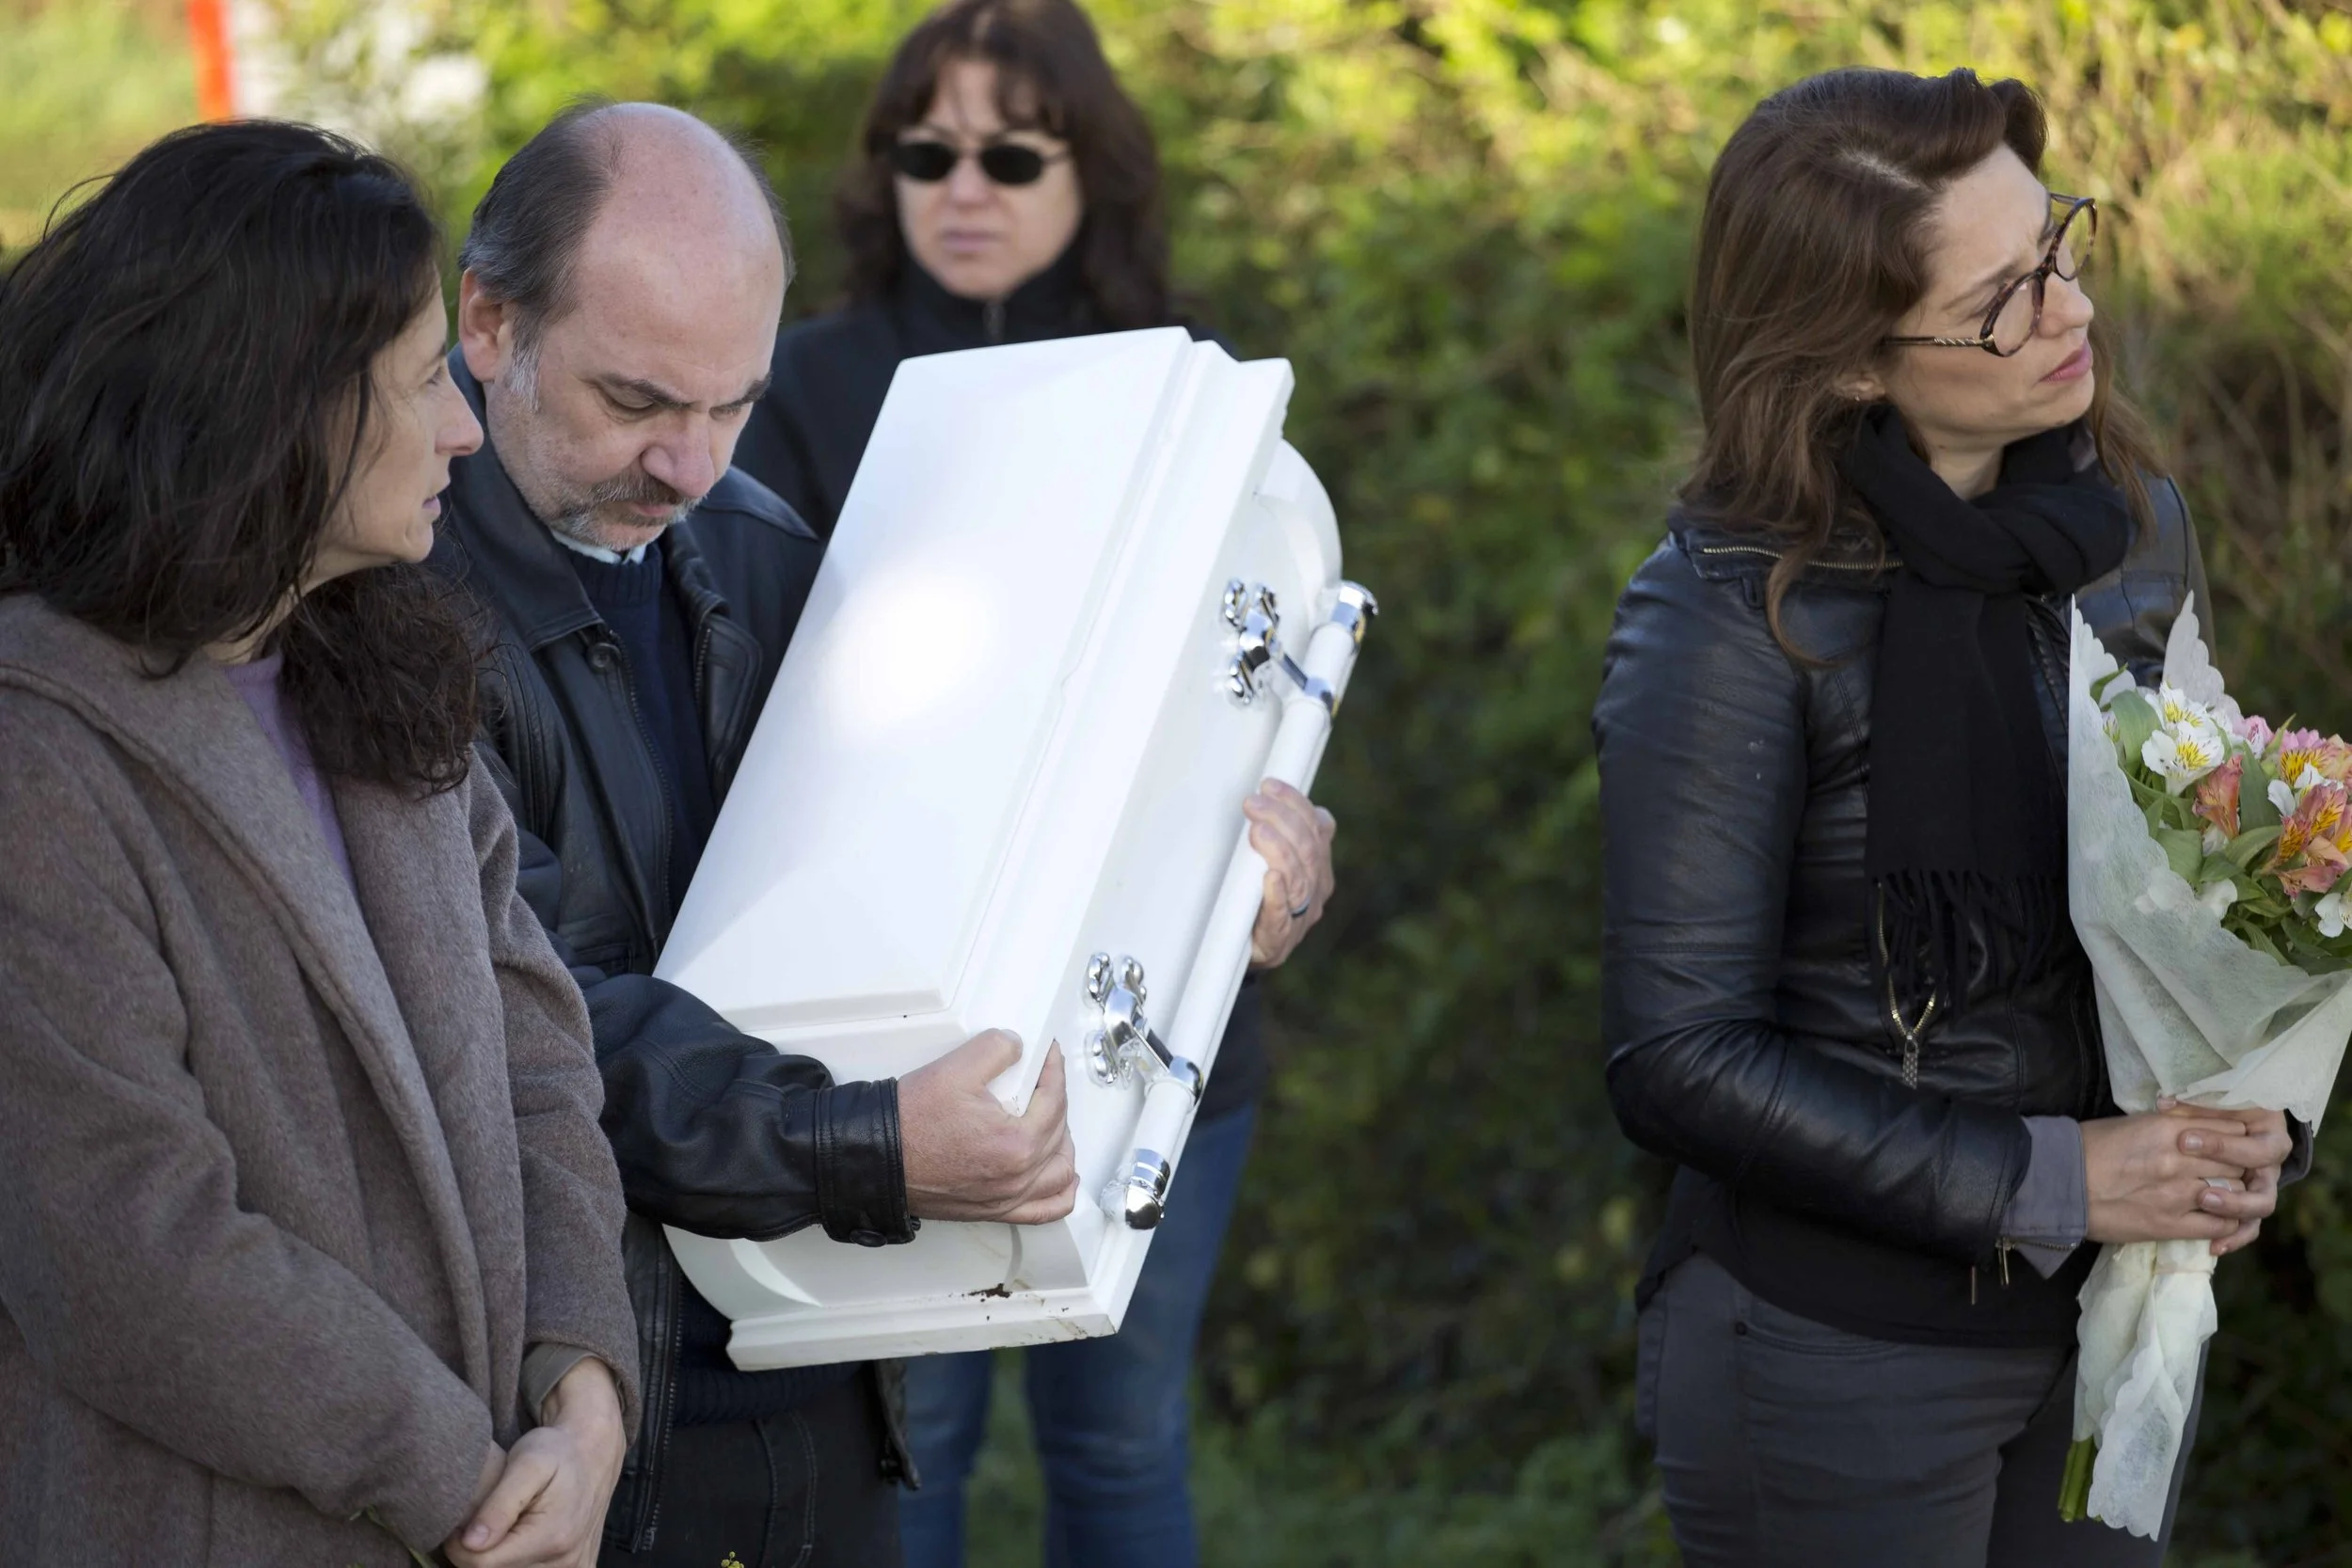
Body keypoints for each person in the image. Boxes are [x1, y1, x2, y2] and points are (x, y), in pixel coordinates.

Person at [429, 100, 1335, 1568]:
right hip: (564, 1420)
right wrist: (869, 1142)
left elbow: (991, 854)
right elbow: (530, 1023)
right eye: (639, 400)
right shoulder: (380, 616)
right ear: (488, 322)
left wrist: (1216, 892)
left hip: (826, 1375)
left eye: (732, 404)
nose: (689, 466)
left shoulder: (758, 544)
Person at [1593, 67, 2302, 1567]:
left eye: (2059, 247)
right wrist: (2057, 1176)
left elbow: (2217, 878)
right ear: (1854, 361)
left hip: (2116, 1317)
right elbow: (1678, 1054)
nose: (2071, 311)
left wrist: (2252, 1111)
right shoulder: (1728, 616)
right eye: (2001, 302)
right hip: (1843, 1350)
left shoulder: (2130, 529)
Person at [733, 6, 1336, 1564]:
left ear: (1092, 170)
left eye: (1011, 155)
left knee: (1122, 1444)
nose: (963, 188)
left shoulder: (1192, 383)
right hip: (897, 1031)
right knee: (908, 1443)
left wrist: (1293, 845)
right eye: (925, 152)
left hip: (1161, 1017)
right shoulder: (798, 388)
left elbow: (1270, 675)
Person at [0, 121, 640, 1568]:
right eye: (420, 380)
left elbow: (543, 1063)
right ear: (269, 403)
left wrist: (584, 1386)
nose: (464, 429)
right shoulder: (35, 755)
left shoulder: (380, 681)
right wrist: (459, 1474)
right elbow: (124, 1249)